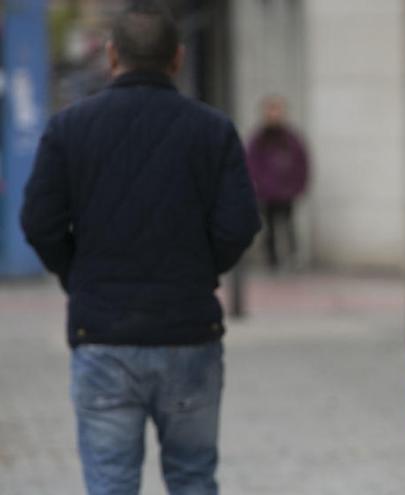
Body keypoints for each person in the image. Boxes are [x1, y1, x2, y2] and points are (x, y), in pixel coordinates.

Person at [20, 3, 260, 494]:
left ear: (111, 56)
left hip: (102, 333)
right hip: (189, 330)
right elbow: (240, 224)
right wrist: (200, 271)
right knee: (193, 478)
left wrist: (78, 275)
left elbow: (39, 223)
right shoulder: (213, 130)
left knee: (110, 483)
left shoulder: (69, 129)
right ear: (177, 58)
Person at [245, 95, 309, 270]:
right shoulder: (259, 139)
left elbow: (301, 163)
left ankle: (292, 258)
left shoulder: (291, 139)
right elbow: (251, 164)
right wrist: (259, 184)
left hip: (286, 191)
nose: (274, 114)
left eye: (277, 110)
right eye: (271, 110)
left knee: (288, 226)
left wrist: (298, 186)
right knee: (270, 228)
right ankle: (272, 261)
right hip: (267, 192)